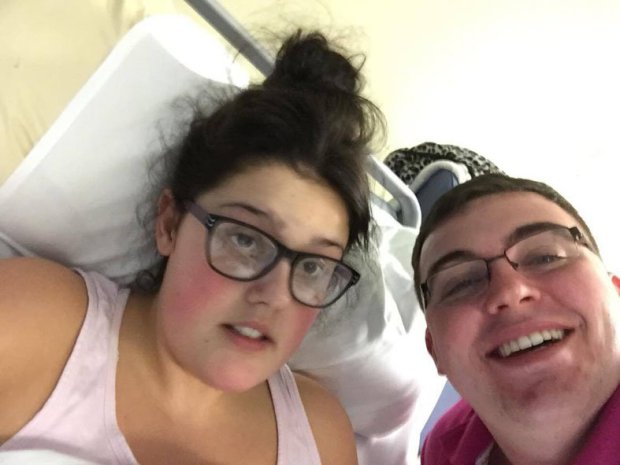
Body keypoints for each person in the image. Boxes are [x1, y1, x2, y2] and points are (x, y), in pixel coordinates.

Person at [0, 30, 384, 465]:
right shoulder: (40, 326)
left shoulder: (322, 435)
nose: (275, 296)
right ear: (169, 224)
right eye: (246, 240)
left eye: (313, 267)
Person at [411, 173, 620, 464]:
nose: (509, 292)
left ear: (616, 291)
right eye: (461, 283)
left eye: (546, 257)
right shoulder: (443, 448)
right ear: (435, 351)